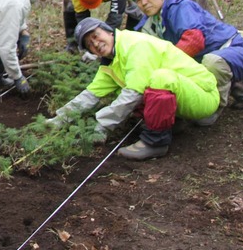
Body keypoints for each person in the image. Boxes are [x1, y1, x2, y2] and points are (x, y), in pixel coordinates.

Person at [47, 17, 219, 160]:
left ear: (108, 31)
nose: (96, 43)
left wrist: (102, 126)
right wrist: (59, 120)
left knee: (159, 79)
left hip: (203, 94)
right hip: (185, 94)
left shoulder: (134, 45)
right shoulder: (110, 62)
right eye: (90, 44)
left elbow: (133, 93)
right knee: (148, 87)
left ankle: (155, 142)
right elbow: (90, 95)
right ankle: (175, 123)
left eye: (96, 35)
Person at [130, 0, 243, 111]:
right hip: (203, 59)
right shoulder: (148, 24)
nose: (143, 3)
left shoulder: (179, 7)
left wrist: (165, 66)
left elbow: (194, 40)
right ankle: (232, 84)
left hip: (233, 48)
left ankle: (215, 105)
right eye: (138, 0)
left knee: (212, 62)